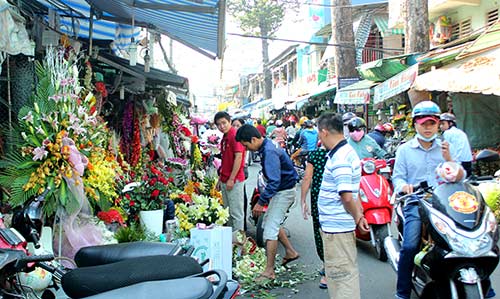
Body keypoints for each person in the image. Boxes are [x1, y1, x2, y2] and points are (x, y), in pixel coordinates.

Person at [392, 101, 466, 299]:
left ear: (438, 125)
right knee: (409, 246)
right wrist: (403, 186)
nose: (427, 128)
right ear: (415, 124)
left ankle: (485, 288)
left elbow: (461, 177)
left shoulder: (445, 147)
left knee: (466, 241)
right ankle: (402, 293)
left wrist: (449, 158)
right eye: (423, 123)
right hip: (416, 201)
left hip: (444, 204)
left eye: (432, 124)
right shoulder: (405, 150)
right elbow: (397, 177)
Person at [235, 124, 300, 282]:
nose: (247, 149)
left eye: (246, 145)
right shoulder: (266, 147)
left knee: (269, 230)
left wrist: (261, 201)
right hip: (283, 190)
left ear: (254, 139)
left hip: (283, 192)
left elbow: (274, 182)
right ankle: (291, 252)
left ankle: (269, 271)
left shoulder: (269, 151)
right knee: (273, 221)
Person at [316, 112, 369, 299]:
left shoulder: (341, 158)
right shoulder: (343, 152)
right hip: (338, 227)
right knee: (341, 275)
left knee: (342, 278)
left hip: (337, 230)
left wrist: (357, 216)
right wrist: (359, 215)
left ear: (323, 132)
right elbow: (353, 193)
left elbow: (346, 197)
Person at [300, 145, 329, 289]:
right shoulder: (342, 152)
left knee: (320, 233)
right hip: (339, 198)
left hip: (319, 197)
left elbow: (307, 178)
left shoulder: (316, 154)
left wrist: (303, 200)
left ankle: (328, 271)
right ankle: (329, 267)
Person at [214, 112, 246, 232]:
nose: (221, 126)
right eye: (218, 124)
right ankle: (231, 242)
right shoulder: (225, 137)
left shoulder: (234, 135)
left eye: (224, 123)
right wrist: (220, 179)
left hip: (234, 180)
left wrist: (231, 179)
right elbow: (225, 160)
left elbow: (239, 157)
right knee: (228, 213)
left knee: (236, 214)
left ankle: (239, 245)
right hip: (225, 179)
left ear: (230, 122)